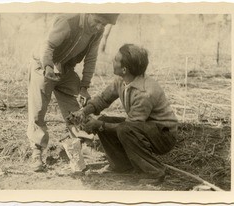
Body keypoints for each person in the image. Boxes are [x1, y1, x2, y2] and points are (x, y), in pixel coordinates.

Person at [71, 44, 178, 183]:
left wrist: (100, 124)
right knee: (105, 121)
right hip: (145, 127)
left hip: (164, 136)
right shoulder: (122, 81)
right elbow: (103, 99)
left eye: (116, 59)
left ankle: (155, 172)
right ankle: (122, 165)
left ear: (124, 69)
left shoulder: (144, 92)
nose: (112, 61)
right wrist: (83, 112)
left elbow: (130, 125)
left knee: (122, 128)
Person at [28, 13, 119, 171]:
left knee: (74, 111)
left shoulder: (97, 32)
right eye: (97, 21)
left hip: (66, 69)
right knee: (38, 109)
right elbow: (48, 45)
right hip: (43, 65)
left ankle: (77, 150)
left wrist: (84, 87)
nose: (99, 27)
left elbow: (91, 59)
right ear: (89, 12)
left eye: (103, 25)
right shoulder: (68, 21)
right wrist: (48, 66)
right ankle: (37, 152)